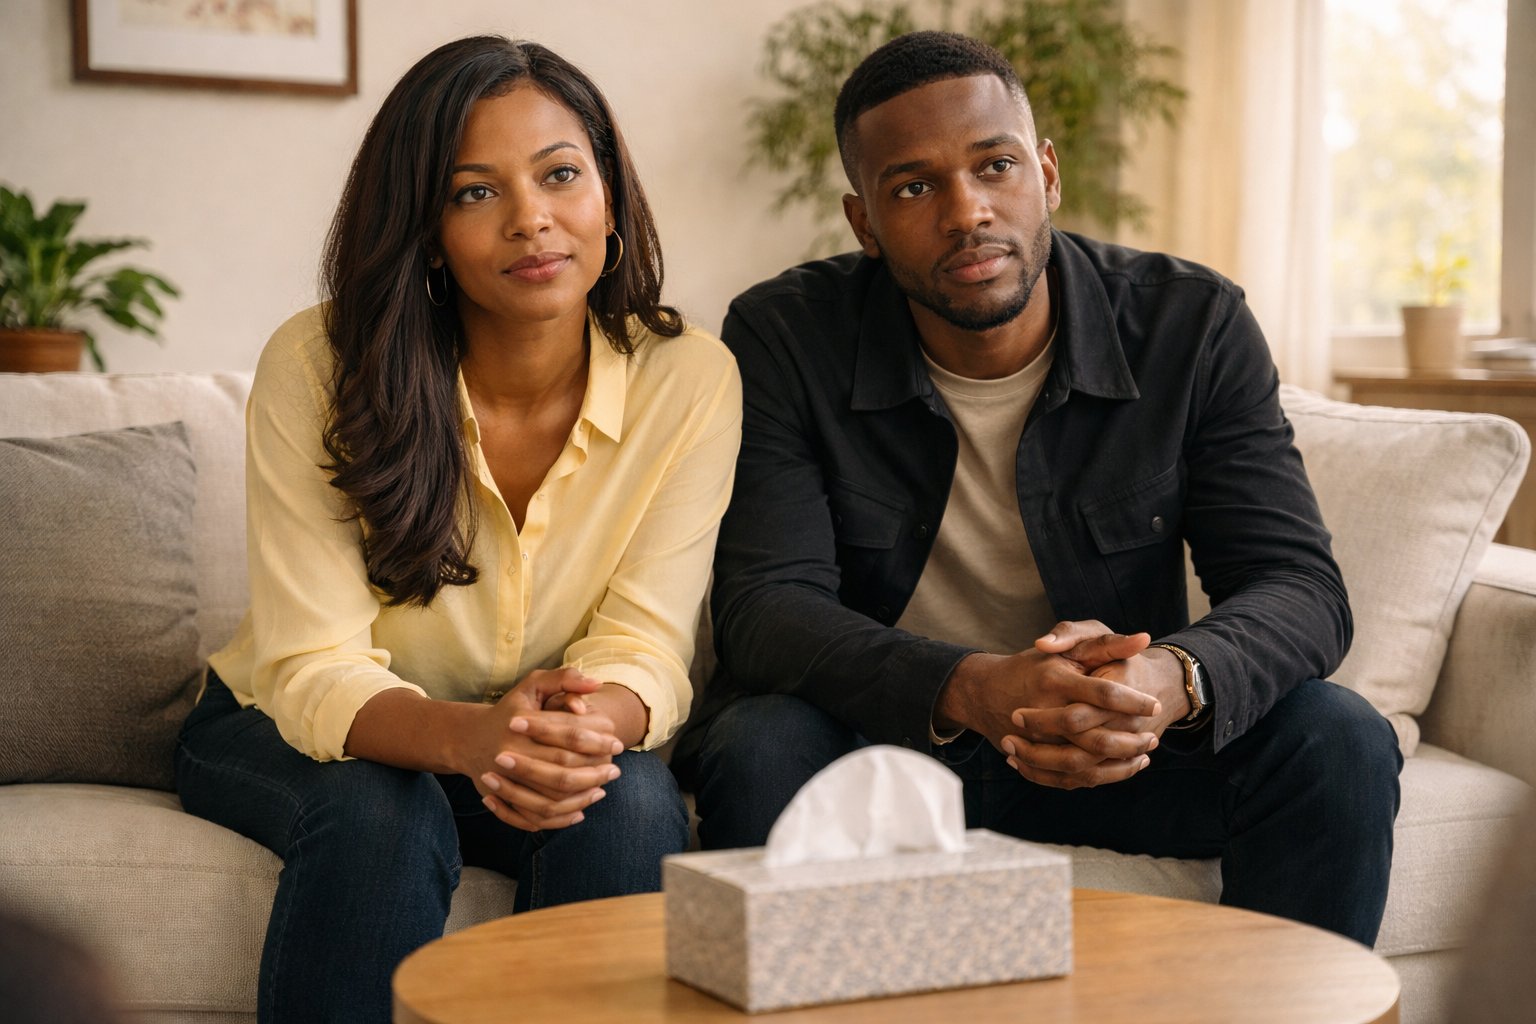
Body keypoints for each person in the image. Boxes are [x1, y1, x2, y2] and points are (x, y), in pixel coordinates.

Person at [673, 30, 1401, 947]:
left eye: (996, 166)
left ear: (1046, 174)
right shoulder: (785, 335)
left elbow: (1299, 587)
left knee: (1335, 737)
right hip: (892, 746)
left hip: (1117, 748)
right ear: (863, 224)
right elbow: (767, 608)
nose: (966, 211)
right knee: (760, 743)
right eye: (913, 186)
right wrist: (974, 688)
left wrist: (1164, 681)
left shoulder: (1192, 323)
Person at [175, 36, 740, 1024]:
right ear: (427, 229)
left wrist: (567, 733)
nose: (533, 220)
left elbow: (646, 642)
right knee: (378, 809)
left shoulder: (689, 376)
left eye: (562, 174)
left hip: (528, 734)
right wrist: (474, 738)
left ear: (609, 191)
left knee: (635, 798)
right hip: (288, 724)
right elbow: (312, 665)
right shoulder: (321, 363)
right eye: (475, 192)